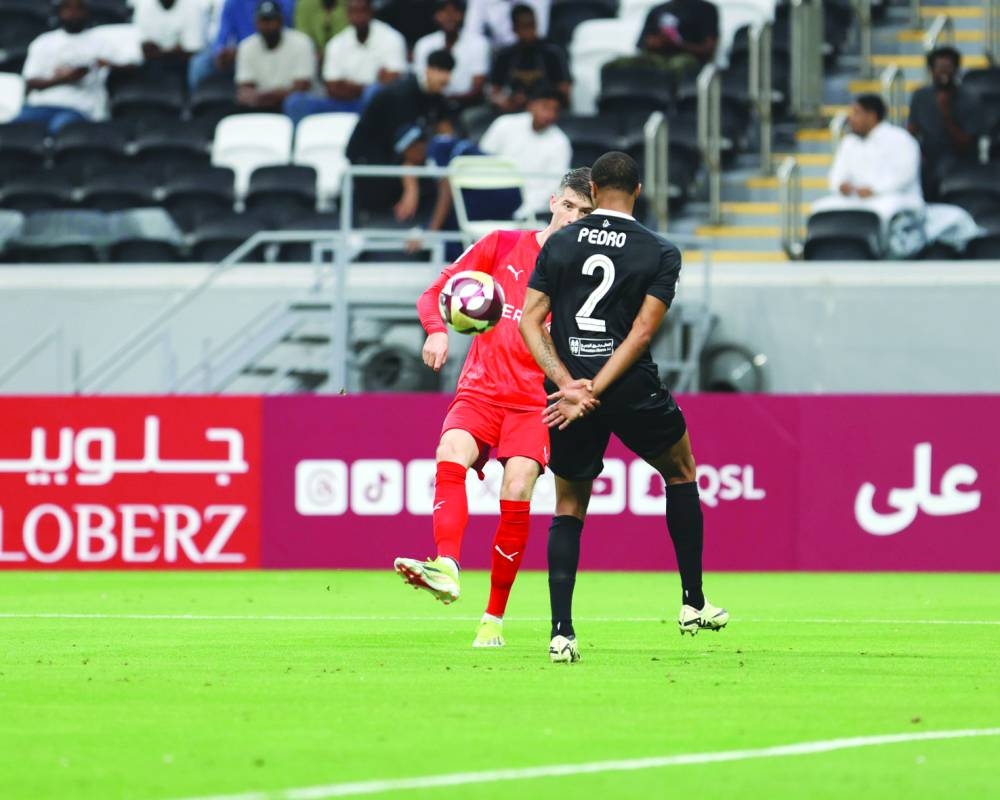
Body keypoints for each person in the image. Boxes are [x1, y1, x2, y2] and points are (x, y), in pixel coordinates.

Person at [519, 151, 728, 664]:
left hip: (569, 395)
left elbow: (528, 321)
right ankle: (692, 603)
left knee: (569, 505)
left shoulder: (560, 242)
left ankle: (561, 633)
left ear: (593, 194)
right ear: (637, 191)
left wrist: (570, 386)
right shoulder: (659, 251)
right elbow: (640, 333)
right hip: (630, 386)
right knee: (680, 472)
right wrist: (597, 388)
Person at [394, 167, 596, 648]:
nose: (572, 217)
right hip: (481, 391)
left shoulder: (582, 279)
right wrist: (438, 328)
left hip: (532, 403)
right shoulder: (501, 244)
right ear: (553, 201)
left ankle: (494, 618)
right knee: (450, 453)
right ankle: (445, 565)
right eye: (568, 205)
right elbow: (435, 292)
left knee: (519, 486)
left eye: (584, 213)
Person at [345, 48, 454, 224]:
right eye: (441, 71)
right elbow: (408, 147)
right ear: (428, 70)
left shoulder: (436, 98)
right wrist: (411, 188)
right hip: (368, 159)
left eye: (448, 73)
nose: (446, 79)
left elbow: (446, 133)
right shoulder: (402, 94)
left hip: (392, 156)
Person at [17, 0, 132, 133]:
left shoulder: (101, 41)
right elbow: (30, 82)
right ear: (59, 12)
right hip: (42, 105)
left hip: (78, 108)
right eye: (68, 8)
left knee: (62, 129)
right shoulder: (43, 42)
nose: (73, 13)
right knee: (15, 129)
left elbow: (131, 64)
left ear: (86, 11)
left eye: (79, 8)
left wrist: (105, 64)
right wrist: (66, 78)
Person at [284, 0, 406, 122]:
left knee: (374, 93)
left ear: (371, 12)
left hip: (374, 106)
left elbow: (391, 82)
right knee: (297, 102)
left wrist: (347, 85)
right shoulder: (336, 43)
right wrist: (366, 86)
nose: (358, 17)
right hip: (342, 103)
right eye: (353, 12)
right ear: (347, 15)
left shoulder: (391, 38)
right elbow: (332, 87)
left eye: (362, 11)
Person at [479, 83, 572, 218]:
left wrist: (524, 210)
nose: (550, 114)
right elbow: (480, 162)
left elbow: (553, 187)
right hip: (491, 193)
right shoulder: (504, 124)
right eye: (545, 106)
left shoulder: (561, 142)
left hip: (531, 207)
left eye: (555, 110)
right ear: (531, 105)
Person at [907, 46, 982, 201]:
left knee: (942, 170)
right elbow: (911, 131)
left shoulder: (970, 98)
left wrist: (946, 113)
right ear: (931, 70)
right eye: (939, 68)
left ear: (956, 70)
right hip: (928, 158)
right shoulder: (920, 96)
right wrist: (915, 153)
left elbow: (965, 144)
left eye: (948, 68)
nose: (944, 73)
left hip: (958, 159)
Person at [188, 0, 295, 90]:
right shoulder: (233, 2)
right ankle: (195, 110)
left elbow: (290, 36)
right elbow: (221, 38)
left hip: (276, 50)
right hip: (241, 53)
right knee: (200, 64)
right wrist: (221, 52)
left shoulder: (286, 2)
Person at [488, 3, 570, 114]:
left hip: (546, 112)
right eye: (524, 27)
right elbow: (494, 91)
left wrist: (541, 104)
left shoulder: (552, 53)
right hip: (512, 112)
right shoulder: (504, 55)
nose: (529, 32)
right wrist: (507, 101)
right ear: (514, 28)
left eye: (532, 25)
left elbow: (564, 91)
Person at [235, 1, 315, 112]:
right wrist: (271, 95)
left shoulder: (301, 42)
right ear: (256, 23)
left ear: (281, 21)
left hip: (291, 105)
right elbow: (246, 88)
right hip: (261, 104)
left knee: (295, 103)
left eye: (271, 20)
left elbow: (302, 87)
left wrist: (265, 95)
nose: (267, 26)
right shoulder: (246, 46)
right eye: (263, 21)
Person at [413, 0, 490, 108]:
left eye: (454, 12)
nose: (449, 17)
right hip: (430, 103)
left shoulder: (478, 43)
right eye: (443, 12)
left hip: (466, 105)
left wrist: (449, 101)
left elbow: (477, 87)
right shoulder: (424, 44)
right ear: (435, 15)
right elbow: (421, 83)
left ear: (463, 14)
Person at [634, 0, 719, 84]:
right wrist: (657, 42)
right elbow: (641, 44)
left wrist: (678, 44)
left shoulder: (705, 9)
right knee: (625, 63)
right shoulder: (656, 10)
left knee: (679, 64)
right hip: (656, 58)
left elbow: (709, 49)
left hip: (688, 59)